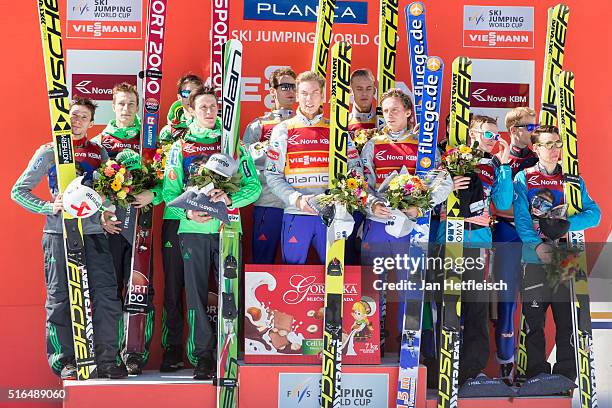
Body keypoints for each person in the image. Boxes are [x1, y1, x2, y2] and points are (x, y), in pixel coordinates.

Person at [11, 97, 127, 379]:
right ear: (63, 119)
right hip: (58, 234)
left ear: (91, 123)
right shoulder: (48, 151)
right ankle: (65, 362)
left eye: (83, 118)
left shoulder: (99, 152)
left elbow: (110, 192)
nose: (77, 122)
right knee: (60, 298)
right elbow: (18, 191)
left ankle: (108, 359)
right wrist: (49, 207)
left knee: (107, 298)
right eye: (73, 116)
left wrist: (106, 212)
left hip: (93, 234)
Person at [162, 85, 261, 379]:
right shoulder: (179, 147)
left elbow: (253, 187)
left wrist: (230, 199)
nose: (209, 112)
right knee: (194, 294)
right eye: (203, 107)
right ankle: (203, 356)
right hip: (192, 229)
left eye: (214, 107)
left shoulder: (232, 144)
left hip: (228, 227)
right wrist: (189, 211)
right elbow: (170, 192)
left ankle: (227, 350)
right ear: (190, 111)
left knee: (228, 292)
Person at [359, 88, 452, 355]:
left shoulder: (423, 145)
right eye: (385, 111)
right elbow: (362, 182)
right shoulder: (372, 145)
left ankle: (408, 349)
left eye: (395, 110)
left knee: (408, 289)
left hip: (409, 228)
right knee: (372, 289)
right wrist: (372, 203)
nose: (389, 115)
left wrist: (420, 206)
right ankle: (369, 345)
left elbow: (441, 182)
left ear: (409, 112)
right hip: (377, 225)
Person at [513, 125, 600, 386]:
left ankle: (565, 374)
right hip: (534, 256)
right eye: (548, 145)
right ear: (536, 148)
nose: (554, 150)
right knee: (534, 321)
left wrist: (566, 224)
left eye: (558, 144)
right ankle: (536, 373)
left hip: (565, 256)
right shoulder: (523, 177)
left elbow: (594, 214)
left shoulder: (571, 180)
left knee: (566, 320)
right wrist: (538, 245)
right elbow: (521, 217)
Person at [435, 114, 513, 387]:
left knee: (477, 307)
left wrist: (503, 166)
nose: (493, 140)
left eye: (496, 134)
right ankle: (441, 369)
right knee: (446, 305)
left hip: (479, 241)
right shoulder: (449, 157)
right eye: (487, 134)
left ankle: (474, 370)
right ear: (473, 134)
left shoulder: (493, 164)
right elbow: (427, 196)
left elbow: (502, 202)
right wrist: (447, 187)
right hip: (448, 239)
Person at [93, 82, 164, 375]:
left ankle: (134, 353)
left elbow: (165, 180)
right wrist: (100, 215)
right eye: (121, 104)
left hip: (141, 225)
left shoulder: (148, 141)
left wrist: (154, 195)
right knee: (108, 293)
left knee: (139, 289)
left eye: (131, 104)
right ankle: (108, 354)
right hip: (111, 227)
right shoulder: (101, 141)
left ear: (138, 106)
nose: (126, 109)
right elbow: (89, 186)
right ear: (113, 104)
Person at [265, 71, 362, 265]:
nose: (309, 99)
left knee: (334, 277)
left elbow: (355, 169)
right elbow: (273, 175)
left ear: (323, 95)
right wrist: (297, 199)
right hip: (296, 213)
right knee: (292, 277)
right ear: (297, 95)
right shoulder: (283, 129)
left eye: (314, 93)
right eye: (304, 93)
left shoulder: (337, 129)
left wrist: (341, 197)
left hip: (332, 214)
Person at [158, 74, 204, 372]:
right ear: (179, 94)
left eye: (195, 93)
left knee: (202, 287)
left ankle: (202, 352)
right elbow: (160, 170)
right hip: (175, 216)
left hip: (204, 220)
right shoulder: (168, 131)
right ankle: (172, 349)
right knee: (174, 287)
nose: (189, 96)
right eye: (184, 91)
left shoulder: (212, 127)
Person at [491, 107, 539, 384]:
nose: (534, 131)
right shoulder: (499, 159)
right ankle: (506, 365)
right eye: (529, 127)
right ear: (513, 131)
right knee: (507, 302)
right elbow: (501, 203)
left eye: (535, 126)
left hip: (534, 237)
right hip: (506, 234)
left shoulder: (542, 157)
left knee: (536, 302)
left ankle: (535, 368)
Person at [243, 67, 296, 264]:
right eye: (285, 86)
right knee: (262, 262)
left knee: (295, 264)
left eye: (294, 86)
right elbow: (246, 165)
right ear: (272, 91)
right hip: (269, 201)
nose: (291, 90)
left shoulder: (305, 125)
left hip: (298, 203)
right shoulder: (259, 125)